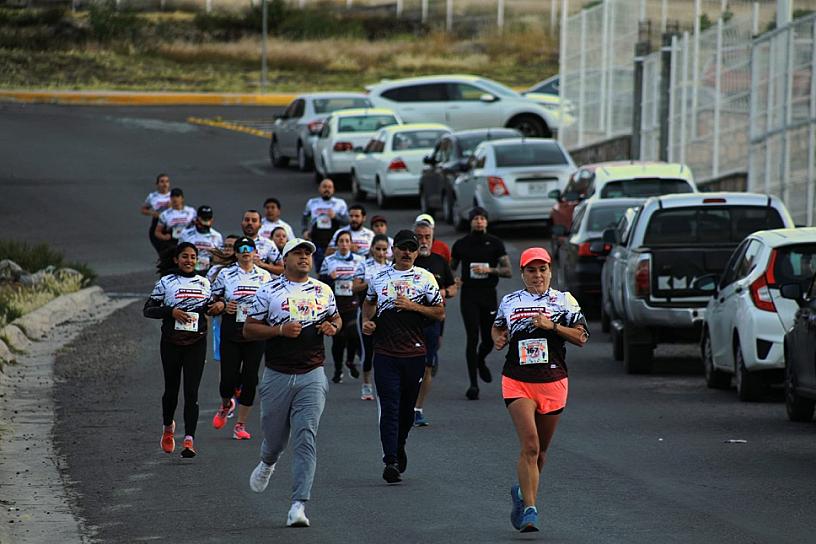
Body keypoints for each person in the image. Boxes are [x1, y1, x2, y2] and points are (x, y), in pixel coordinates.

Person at [244, 238, 341, 528]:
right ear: (284, 260)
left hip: (312, 373)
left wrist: (331, 327)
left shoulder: (323, 290)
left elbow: (336, 319)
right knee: (275, 439)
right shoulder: (268, 290)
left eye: (308, 254)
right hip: (277, 374)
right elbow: (249, 329)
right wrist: (279, 330)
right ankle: (268, 461)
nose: (304, 258)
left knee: (305, 437)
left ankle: (298, 505)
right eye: (297, 253)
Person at [491, 247, 588, 532]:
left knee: (541, 452)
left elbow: (582, 337)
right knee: (530, 445)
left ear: (550, 271)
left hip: (553, 381)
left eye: (542, 269)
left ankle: (522, 493)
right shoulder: (510, 301)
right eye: (531, 270)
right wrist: (499, 338)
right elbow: (496, 328)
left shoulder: (564, 301)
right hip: (517, 380)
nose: (537, 276)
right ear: (522, 274)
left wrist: (553, 326)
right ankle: (530, 510)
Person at [362, 230, 445, 484]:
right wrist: (368, 321)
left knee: (407, 411)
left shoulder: (425, 278)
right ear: (393, 250)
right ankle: (390, 460)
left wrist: (413, 306)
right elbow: (369, 303)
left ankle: (400, 445)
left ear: (417, 252)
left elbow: (439, 312)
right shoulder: (379, 277)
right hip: (385, 352)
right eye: (402, 248)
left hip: (414, 352)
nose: (407, 252)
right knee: (389, 407)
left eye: (412, 248)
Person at [143, 242, 219, 458]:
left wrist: (217, 307)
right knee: (172, 390)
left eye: (193, 257)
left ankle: (189, 440)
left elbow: (210, 306)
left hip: (196, 342)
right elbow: (148, 310)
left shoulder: (204, 283)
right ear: (176, 259)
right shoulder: (166, 282)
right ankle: (168, 429)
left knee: (192, 391)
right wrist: (171, 312)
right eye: (185, 257)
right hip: (171, 343)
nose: (189, 261)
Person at [210, 237, 273, 440]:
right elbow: (213, 298)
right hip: (232, 328)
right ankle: (226, 404)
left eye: (249, 248)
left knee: (250, 378)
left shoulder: (265, 276)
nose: (246, 251)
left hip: (255, 330)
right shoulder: (226, 274)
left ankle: (240, 425)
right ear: (236, 253)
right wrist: (222, 305)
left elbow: (273, 301)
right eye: (241, 249)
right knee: (228, 377)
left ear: (255, 252)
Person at [450, 206, 511, 400]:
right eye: (475, 218)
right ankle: (473, 385)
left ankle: (480, 359)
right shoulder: (461, 244)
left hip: (488, 294)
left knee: (488, 338)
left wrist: (490, 271)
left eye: (482, 219)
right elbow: (450, 269)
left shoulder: (495, 243)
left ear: (486, 222)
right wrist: (454, 280)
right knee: (472, 337)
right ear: (470, 221)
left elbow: (508, 270)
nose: (479, 222)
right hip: (469, 295)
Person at [412, 218, 456, 427]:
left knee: (427, 366)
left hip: (433, 320)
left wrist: (445, 291)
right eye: (419, 237)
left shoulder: (439, 261)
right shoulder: (408, 262)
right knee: (411, 366)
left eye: (427, 237)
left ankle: (418, 409)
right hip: (408, 323)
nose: (423, 241)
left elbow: (453, 286)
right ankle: (407, 405)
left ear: (432, 238)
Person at [319, 230, 364, 384]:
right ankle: (338, 369)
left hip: (352, 301)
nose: (344, 244)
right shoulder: (328, 260)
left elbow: (364, 280)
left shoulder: (359, 260)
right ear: (337, 244)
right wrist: (330, 280)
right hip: (335, 303)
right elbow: (321, 282)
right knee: (338, 339)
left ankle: (350, 360)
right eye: (341, 241)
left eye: (347, 241)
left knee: (352, 333)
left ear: (351, 243)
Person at [352, 234, 391, 401]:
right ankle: (366, 384)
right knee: (368, 351)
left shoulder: (392, 267)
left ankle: (387, 383)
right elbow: (354, 288)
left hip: (387, 313)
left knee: (387, 350)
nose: (381, 253)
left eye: (384, 249)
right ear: (372, 249)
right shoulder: (364, 265)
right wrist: (371, 283)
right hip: (367, 312)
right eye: (378, 249)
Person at [302, 178, 349, 273]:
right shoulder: (312, 202)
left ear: (333, 189)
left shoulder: (340, 203)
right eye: (324, 187)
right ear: (319, 189)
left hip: (334, 241)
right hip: (317, 240)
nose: (327, 189)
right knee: (320, 270)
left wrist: (336, 216)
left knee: (334, 269)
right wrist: (305, 231)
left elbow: (347, 221)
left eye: (329, 187)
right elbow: (305, 218)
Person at [208, 234, 239, 364]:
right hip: (222, 320)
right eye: (225, 246)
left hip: (245, 321)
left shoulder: (250, 271)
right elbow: (207, 295)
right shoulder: (214, 270)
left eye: (231, 246)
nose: (226, 249)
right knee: (224, 360)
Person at [154, 188, 197, 275]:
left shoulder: (191, 212)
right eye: (173, 197)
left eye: (177, 196)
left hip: (187, 242)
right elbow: (157, 232)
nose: (175, 199)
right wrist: (165, 237)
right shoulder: (165, 214)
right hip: (172, 243)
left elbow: (197, 225)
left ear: (182, 198)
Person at [179, 205, 223, 274]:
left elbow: (220, 258)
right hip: (189, 268)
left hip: (209, 270)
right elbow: (179, 253)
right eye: (204, 218)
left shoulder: (217, 236)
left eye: (208, 218)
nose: (206, 221)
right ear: (197, 219)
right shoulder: (185, 234)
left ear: (212, 220)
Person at [140, 173, 172, 255]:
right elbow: (143, 209)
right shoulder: (153, 196)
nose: (165, 184)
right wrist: (152, 213)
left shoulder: (172, 195)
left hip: (170, 223)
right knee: (159, 245)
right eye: (162, 182)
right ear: (157, 184)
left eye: (167, 182)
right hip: (157, 222)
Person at [240, 209, 279, 276]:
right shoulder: (234, 243)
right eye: (247, 220)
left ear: (260, 225)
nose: (250, 223)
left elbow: (283, 269)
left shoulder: (268, 244)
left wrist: (263, 265)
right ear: (242, 223)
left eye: (254, 220)